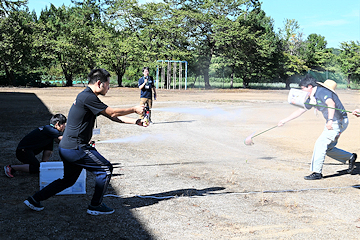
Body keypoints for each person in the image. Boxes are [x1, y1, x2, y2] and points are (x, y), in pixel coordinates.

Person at [24, 68, 147, 215]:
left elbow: (113, 117)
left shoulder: (86, 96)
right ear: (100, 83)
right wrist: (134, 108)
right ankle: (95, 205)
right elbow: (113, 112)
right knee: (106, 169)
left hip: (67, 147)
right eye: (108, 84)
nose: (109, 87)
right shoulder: (88, 97)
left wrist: (136, 122)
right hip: (76, 148)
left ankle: (34, 199)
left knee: (68, 180)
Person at [278, 75, 357, 180]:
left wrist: (329, 120)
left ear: (309, 86)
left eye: (303, 88)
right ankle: (349, 157)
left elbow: (331, 104)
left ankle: (317, 172)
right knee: (327, 148)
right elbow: (301, 110)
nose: (302, 91)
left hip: (337, 122)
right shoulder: (313, 97)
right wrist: (284, 120)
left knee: (321, 144)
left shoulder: (321, 92)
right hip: (335, 121)